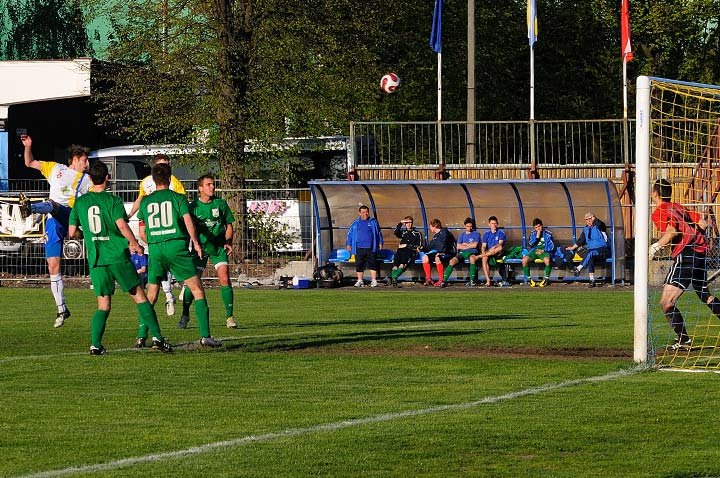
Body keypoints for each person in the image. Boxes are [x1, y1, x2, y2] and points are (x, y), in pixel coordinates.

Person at [67, 161, 172, 354]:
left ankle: (95, 345)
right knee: (139, 297)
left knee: (103, 304)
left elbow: (72, 232)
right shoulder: (113, 201)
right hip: (117, 255)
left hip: (97, 260)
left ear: (90, 178)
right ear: (107, 178)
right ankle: (157, 337)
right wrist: (135, 244)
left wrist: (88, 237)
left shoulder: (80, 202)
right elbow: (122, 226)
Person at [137, 163, 221, 347]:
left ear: (153, 179)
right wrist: (196, 242)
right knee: (197, 290)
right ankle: (206, 336)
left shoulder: (145, 201)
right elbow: (188, 221)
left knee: (151, 295)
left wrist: (150, 242)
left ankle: (141, 336)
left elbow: (142, 231)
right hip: (176, 247)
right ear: (169, 178)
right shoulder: (178, 198)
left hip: (156, 248)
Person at [18, 135, 91, 328]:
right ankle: (61, 308)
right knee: (52, 266)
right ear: (75, 159)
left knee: (51, 204)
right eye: (85, 160)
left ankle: (30, 208)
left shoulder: (86, 180)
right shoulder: (55, 168)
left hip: (69, 216)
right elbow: (29, 162)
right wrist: (28, 146)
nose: (87, 163)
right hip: (53, 221)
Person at [648, 179, 720, 351]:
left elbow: (672, 231)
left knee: (667, 302)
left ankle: (684, 340)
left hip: (686, 255)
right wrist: (696, 237)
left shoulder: (659, 211)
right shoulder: (679, 207)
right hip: (700, 254)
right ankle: (683, 339)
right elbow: (703, 223)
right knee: (705, 295)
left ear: (655, 193)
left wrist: (655, 247)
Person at [129, 153, 185, 316]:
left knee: (169, 260)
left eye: (167, 164)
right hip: (152, 225)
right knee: (158, 261)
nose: (165, 167)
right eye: (162, 164)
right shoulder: (146, 182)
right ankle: (169, 296)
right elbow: (140, 199)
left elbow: (181, 202)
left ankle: (179, 289)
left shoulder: (174, 183)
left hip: (169, 227)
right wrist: (131, 214)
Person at [178, 174, 237, 329]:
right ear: (200, 188)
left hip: (218, 249)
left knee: (224, 278)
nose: (212, 187)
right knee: (193, 283)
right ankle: (185, 314)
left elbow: (229, 224)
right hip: (199, 250)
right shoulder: (193, 207)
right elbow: (185, 227)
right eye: (208, 184)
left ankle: (229, 317)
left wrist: (228, 241)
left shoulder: (220, 203)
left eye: (213, 184)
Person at [566, 212, 609, 288]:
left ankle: (579, 268)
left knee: (590, 253)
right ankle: (592, 280)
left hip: (602, 250)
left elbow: (602, 225)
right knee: (590, 257)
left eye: (590, 219)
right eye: (586, 219)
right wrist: (572, 247)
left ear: (593, 218)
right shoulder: (586, 229)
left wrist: (596, 220)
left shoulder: (599, 226)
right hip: (592, 251)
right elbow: (580, 240)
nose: (588, 221)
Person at [346, 204, 383, 287]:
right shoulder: (355, 223)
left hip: (371, 248)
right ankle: (360, 280)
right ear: (359, 213)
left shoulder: (373, 222)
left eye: (366, 212)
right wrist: (349, 244)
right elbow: (350, 235)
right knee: (359, 264)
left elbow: (378, 233)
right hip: (359, 248)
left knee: (373, 264)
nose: (365, 214)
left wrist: (380, 242)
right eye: (363, 212)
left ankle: (374, 280)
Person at [472, 215, 509, 287]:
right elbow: (483, 246)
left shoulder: (501, 233)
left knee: (499, 248)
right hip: (488, 253)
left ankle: (479, 256)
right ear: (489, 224)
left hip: (498, 252)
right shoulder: (486, 234)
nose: (494, 225)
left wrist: (493, 247)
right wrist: (483, 251)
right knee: (484, 258)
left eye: (495, 223)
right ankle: (488, 280)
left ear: (497, 224)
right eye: (492, 223)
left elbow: (500, 243)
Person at [387, 216, 423, 287]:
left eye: (410, 222)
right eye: (407, 223)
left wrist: (406, 245)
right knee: (395, 266)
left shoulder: (417, 233)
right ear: (405, 224)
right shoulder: (403, 233)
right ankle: (394, 279)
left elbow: (419, 246)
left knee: (402, 265)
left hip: (410, 252)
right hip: (400, 251)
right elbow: (396, 232)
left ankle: (393, 278)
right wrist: (400, 223)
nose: (409, 224)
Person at [442, 217, 479, 285]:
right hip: (462, 253)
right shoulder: (462, 235)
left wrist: (465, 244)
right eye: (468, 226)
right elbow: (458, 246)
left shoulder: (476, 234)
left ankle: (472, 281)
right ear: (465, 226)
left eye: (471, 226)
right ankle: (444, 281)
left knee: (472, 259)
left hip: (472, 252)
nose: (469, 228)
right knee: (452, 261)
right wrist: (469, 245)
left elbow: (475, 245)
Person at [421, 218, 456, 287]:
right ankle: (428, 279)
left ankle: (441, 280)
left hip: (448, 252)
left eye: (430, 226)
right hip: (439, 252)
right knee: (425, 257)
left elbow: (444, 244)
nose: (429, 228)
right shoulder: (435, 236)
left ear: (435, 226)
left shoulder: (444, 232)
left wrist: (440, 252)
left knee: (437, 258)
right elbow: (430, 247)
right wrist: (422, 248)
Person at [522, 218, 555, 287]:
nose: (538, 228)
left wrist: (543, 250)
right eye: (536, 227)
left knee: (547, 260)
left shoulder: (548, 234)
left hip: (544, 251)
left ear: (542, 225)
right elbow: (530, 244)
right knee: (524, 260)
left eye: (539, 226)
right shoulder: (533, 233)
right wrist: (537, 237)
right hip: (534, 251)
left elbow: (552, 246)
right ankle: (529, 280)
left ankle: (546, 279)